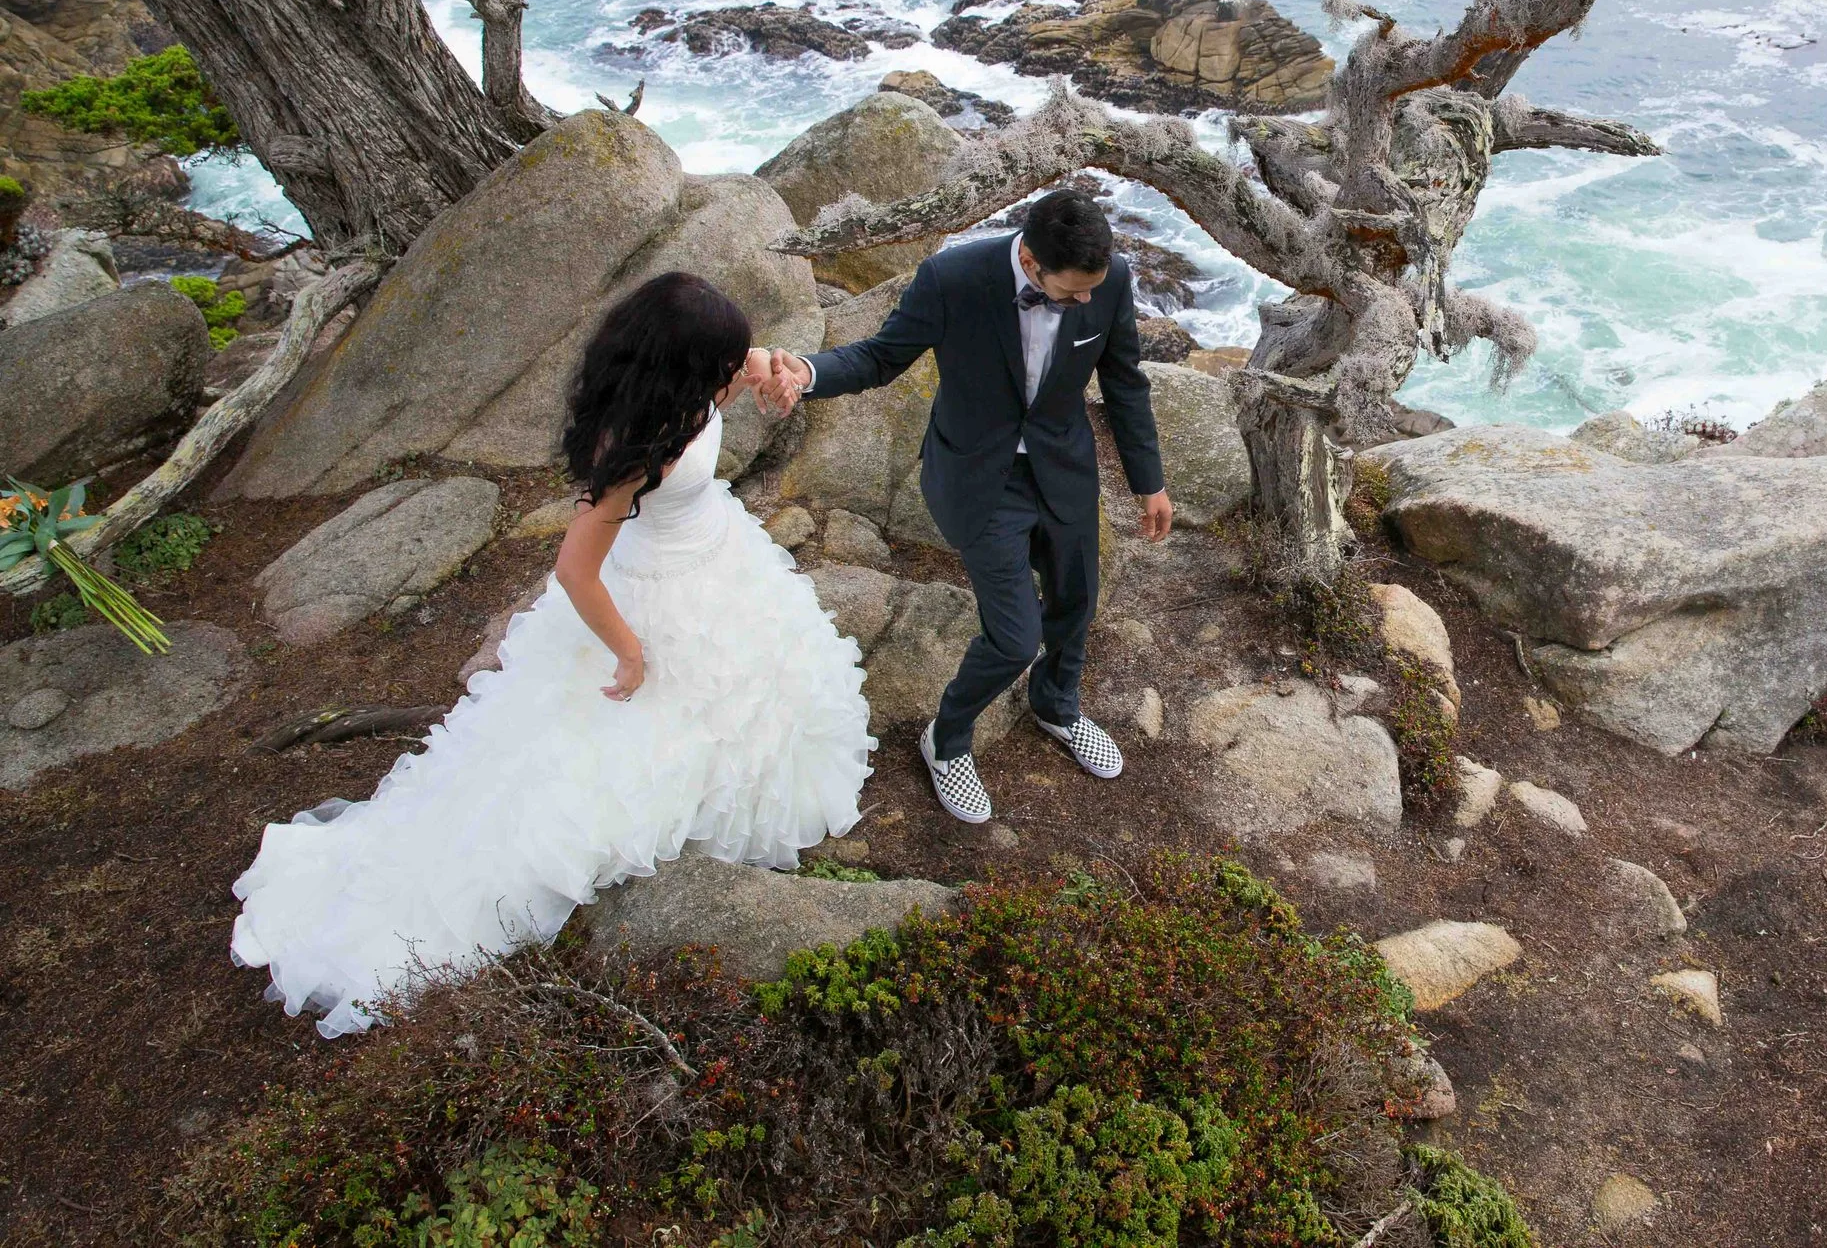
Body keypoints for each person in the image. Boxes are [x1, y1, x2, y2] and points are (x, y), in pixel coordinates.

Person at [231, 272, 876, 1038]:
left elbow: (751, 359)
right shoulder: (634, 447)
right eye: (723, 364)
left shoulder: (694, 374)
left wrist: (773, 366)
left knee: (758, 697)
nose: (732, 376)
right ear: (678, 367)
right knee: (627, 756)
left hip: (721, 556)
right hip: (655, 593)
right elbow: (574, 568)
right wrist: (629, 651)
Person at [768, 189, 1169, 825]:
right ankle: (946, 739)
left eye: (1094, 289)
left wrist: (1149, 481)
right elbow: (880, 357)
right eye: (1073, 292)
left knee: (1076, 598)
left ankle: (1057, 706)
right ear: (1031, 264)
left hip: (1062, 468)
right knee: (1015, 638)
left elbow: (1123, 380)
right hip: (978, 476)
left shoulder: (1109, 276)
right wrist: (808, 373)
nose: (1087, 301)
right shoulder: (952, 278)